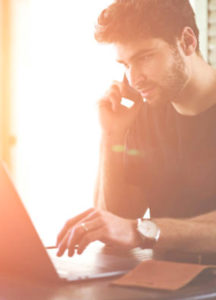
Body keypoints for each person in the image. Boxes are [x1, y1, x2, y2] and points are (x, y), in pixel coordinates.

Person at [56, 0, 216, 262]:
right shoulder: (144, 112)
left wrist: (143, 231)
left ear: (187, 41)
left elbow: (130, 229)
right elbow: (116, 222)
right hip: (163, 282)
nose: (133, 79)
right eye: (125, 65)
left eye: (145, 57)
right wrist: (112, 135)